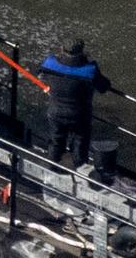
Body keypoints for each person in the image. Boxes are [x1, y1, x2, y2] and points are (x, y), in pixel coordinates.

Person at [39, 39, 112, 167]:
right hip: (79, 115)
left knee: (56, 142)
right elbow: (104, 87)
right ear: (81, 51)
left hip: (56, 112)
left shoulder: (50, 64)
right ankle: (79, 171)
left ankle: (50, 169)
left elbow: (40, 74)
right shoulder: (90, 70)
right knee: (80, 145)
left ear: (62, 49)